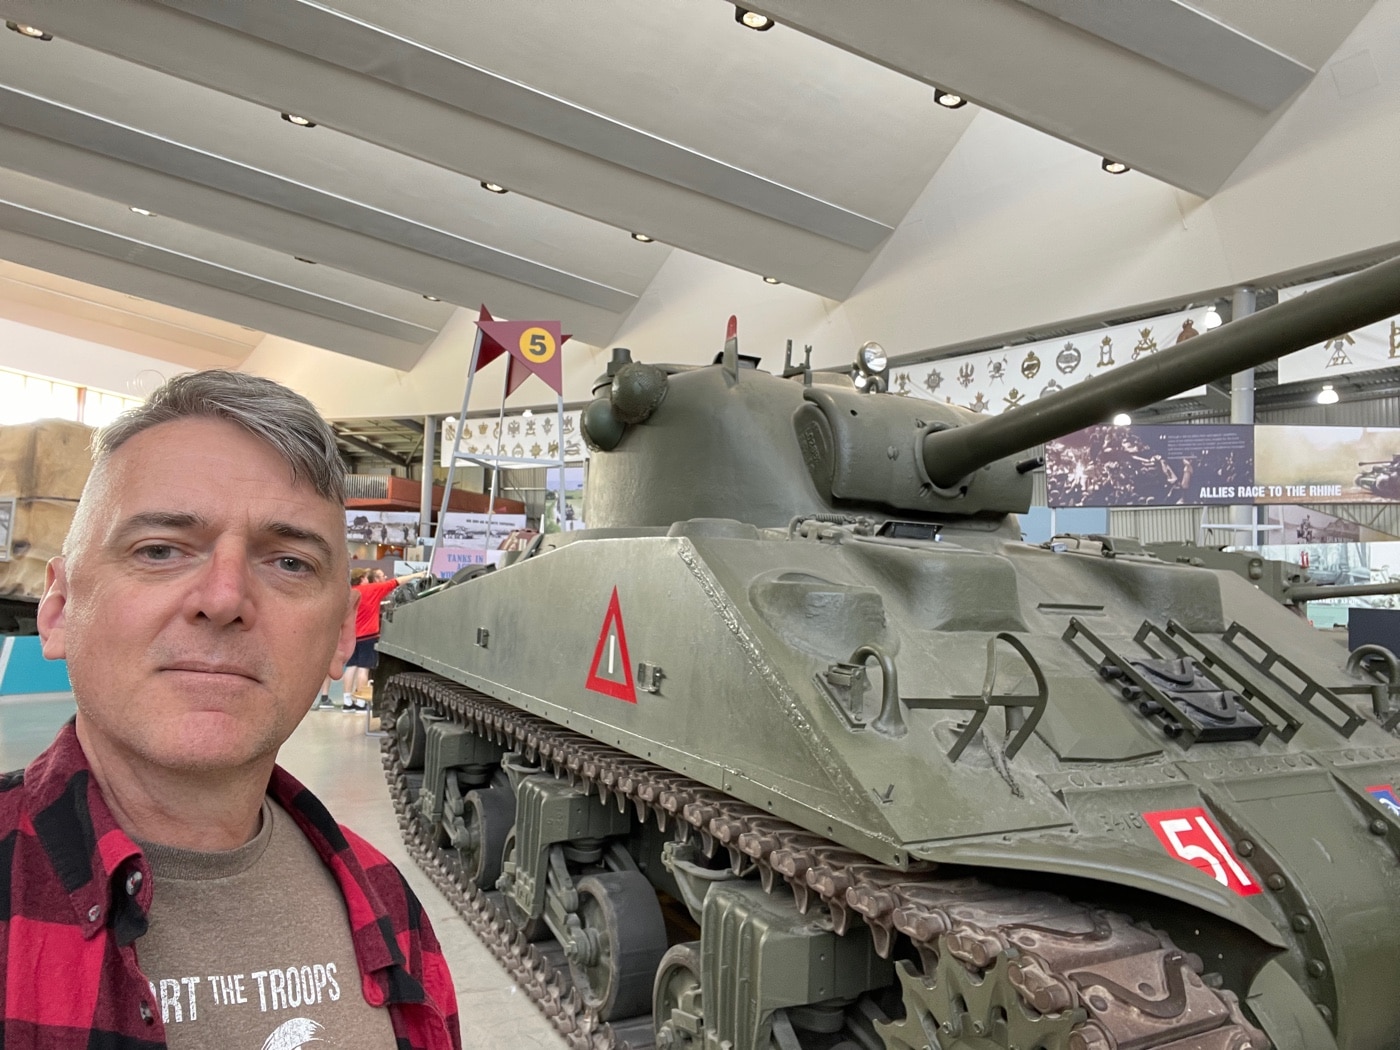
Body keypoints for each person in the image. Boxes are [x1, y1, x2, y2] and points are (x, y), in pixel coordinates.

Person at [2, 370, 461, 1048]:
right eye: (159, 550)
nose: (223, 598)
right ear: (61, 608)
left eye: (290, 563)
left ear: (340, 635)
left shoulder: (392, 912)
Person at [342, 566, 426, 710]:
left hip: (351, 636)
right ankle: (361, 704)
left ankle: (347, 701)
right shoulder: (371, 590)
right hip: (368, 636)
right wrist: (418, 575)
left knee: (351, 668)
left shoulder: (348, 594)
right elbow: (396, 582)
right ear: (362, 579)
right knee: (364, 669)